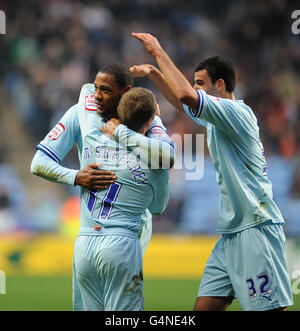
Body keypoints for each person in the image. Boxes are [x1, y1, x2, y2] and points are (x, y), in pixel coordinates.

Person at [131, 32, 293, 311]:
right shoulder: (218, 118)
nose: (194, 88)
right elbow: (184, 103)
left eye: (200, 83)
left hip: (256, 228)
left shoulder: (236, 113)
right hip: (231, 233)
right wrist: (155, 74)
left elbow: (185, 95)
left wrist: (158, 51)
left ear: (220, 85)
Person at [31, 63, 175, 310]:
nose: (97, 95)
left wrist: (131, 128)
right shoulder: (82, 114)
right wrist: (76, 177)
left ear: (126, 91)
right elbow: (38, 162)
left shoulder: (141, 126)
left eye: (105, 90)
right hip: (110, 241)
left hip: (101, 243)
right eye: (96, 89)